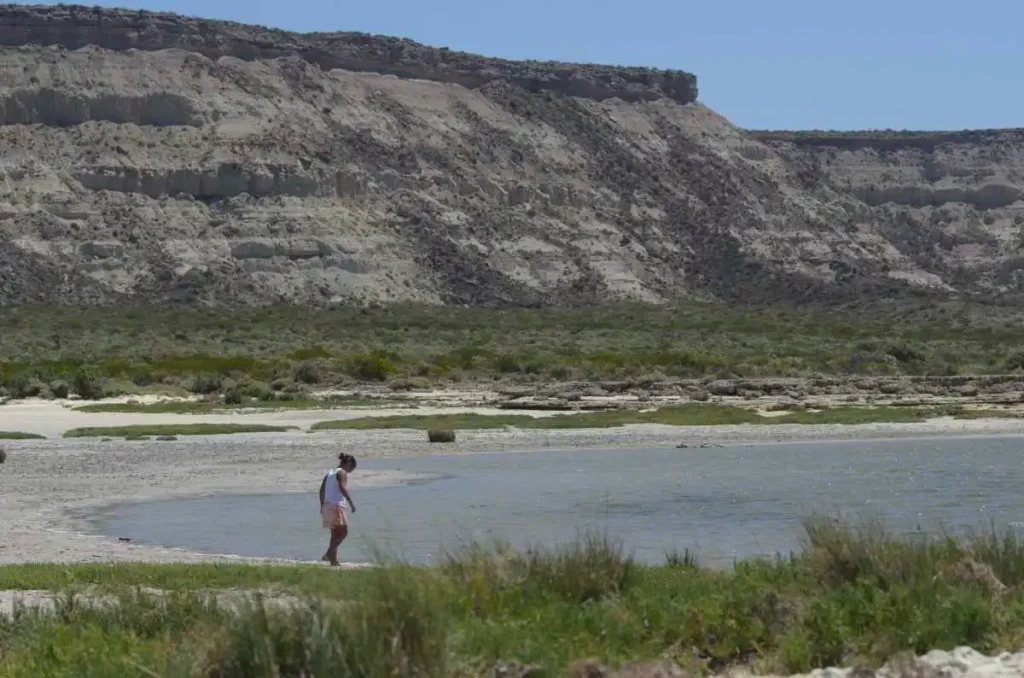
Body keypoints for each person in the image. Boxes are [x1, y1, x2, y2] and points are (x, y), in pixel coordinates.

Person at [319, 453, 357, 566]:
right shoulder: (342, 472)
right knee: (343, 533)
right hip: (336, 506)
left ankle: (332, 558)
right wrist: (351, 503)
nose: (350, 471)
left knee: (335, 534)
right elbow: (342, 488)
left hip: (327, 505)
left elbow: (321, 490)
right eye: (351, 468)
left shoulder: (330, 473)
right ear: (348, 464)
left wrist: (322, 505)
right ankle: (330, 556)